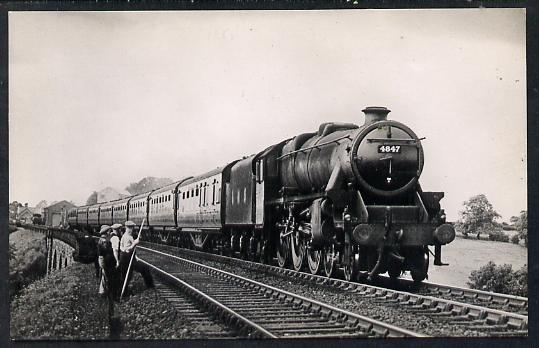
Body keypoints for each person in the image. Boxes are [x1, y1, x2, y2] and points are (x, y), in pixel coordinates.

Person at [119, 221, 154, 295]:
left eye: (132, 227)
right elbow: (127, 250)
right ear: (126, 228)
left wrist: (135, 256)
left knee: (128, 275)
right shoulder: (126, 237)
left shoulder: (128, 236)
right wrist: (134, 243)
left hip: (129, 258)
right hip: (126, 259)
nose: (132, 229)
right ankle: (123, 292)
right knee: (127, 276)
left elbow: (126, 249)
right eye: (130, 228)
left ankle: (124, 291)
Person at [97, 225, 114, 297]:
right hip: (103, 259)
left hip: (101, 259)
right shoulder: (104, 241)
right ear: (106, 232)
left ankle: (102, 291)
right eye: (109, 231)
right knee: (105, 275)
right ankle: (103, 292)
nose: (110, 232)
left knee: (103, 275)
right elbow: (106, 250)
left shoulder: (101, 239)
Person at [109, 224, 122, 300]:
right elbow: (115, 250)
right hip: (113, 260)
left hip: (109, 259)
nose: (121, 231)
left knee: (110, 277)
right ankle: (114, 296)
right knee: (115, 277)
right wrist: (117, 261)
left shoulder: (110, 236)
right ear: (117, 230)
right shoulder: (115, 238)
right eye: (120, 230)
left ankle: (110, 294)